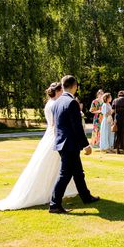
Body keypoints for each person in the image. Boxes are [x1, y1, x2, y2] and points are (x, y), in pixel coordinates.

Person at [0, 83, 78, 211]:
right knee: (57, 167)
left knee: (57, 167)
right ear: (58, 91)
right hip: (55, 135)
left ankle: (55, 193)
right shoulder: (55, 104)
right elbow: (56, 123)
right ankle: (52, 197)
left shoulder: (49, 103)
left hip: (50, 135)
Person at [49, 75, 99, 213]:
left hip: (62, 142)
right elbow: (76, 126)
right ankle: (54, 204)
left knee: (78, 172)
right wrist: (86, 145)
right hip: (69, 144)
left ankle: (86, 196)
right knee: (65, 174)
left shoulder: (57, 102)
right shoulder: (72, 102)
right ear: (74, 86)